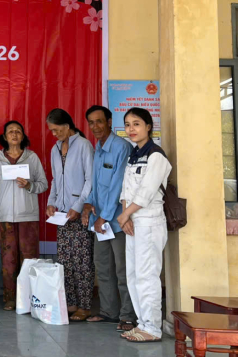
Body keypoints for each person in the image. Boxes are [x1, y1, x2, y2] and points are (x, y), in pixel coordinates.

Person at [117, 108, 171, 343]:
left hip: (149, 223)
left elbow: (146, 192)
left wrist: (125, 215)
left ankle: (152, 328)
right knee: (133, 275)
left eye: (136, 124)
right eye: (128, 124)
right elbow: (126, 191)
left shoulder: (156, 155)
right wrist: (126, 216)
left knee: (147, 276)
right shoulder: (134, 155)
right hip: (132, 223)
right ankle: (142, 323)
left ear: (148, 126)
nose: (131, 129)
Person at [81, 106, 135, 332]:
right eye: (91, 123)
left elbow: (118, 186)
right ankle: (109, 312)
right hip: (100, 222)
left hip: (117, 222)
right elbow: (95, 183)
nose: (95, 127)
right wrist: (88, 204)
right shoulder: (98, 148)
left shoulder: (121, 147)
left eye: (99, 121)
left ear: (110, 121)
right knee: (103, 268)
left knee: (123, 271)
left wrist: (103, 216)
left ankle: (128, 316)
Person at [0, 120, 48, 311]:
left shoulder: (32, 157)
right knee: (8, 259)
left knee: (29, 258)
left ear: (23, 136)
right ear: (4, 137)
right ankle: (10, 298)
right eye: (10, 132)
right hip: (5, 217)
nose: (14, 134)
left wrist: (29, 185)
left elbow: (43, 184)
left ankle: (29, 297)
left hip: (28, 216)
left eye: (18, 131)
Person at [45, 108, 95, 322]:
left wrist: (78, 205)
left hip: (80, 213)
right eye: (51, 131)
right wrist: (51, 202)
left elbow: (90, 180)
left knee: (82, 260)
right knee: (66, 261)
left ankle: (85, 305)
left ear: (67, 126)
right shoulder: (55, 148)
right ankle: (71, 302)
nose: (54, 134)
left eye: (57, 129)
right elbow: (56, 180)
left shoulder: (84, 145)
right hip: (62, 215)